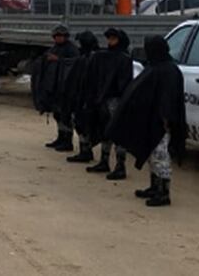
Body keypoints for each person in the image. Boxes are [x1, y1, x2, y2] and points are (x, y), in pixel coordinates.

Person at [107, 36, 187, 207]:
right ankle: (154, 186)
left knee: (160, 156)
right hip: (150, 119)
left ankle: (164, 192)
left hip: (162, 122)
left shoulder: (169, 70)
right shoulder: (154, 66)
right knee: (152, 155)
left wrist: (166, 119)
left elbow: (169, 98)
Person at [85, 28, 134, 180]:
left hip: (117, 100)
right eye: (109, 39)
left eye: (113, 39)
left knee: (118, 132)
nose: (110, 42)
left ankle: (120, 166)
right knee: (105, 130)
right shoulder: (103, 57)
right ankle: (104, 161)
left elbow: (124, 83)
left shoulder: (124, 59)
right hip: (104, 100)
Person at [31, 24, 80, 152]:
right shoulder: (54, 48)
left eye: (61, 36)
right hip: (54, 87)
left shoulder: (72, 49)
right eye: (57, 36)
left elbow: (74, 64)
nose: (59, 38)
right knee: (57, 114)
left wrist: (58, 60)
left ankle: (67, 140)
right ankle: (60, 137)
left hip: (65, 88)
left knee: (65, 115)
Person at [65, 31, 100, 164]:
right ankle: (85, 150)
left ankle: (86, 151)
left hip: (87, 97)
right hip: (82, 96)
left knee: (84, 124)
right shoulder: (87, 57)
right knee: (80, 123)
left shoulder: (91, 58)